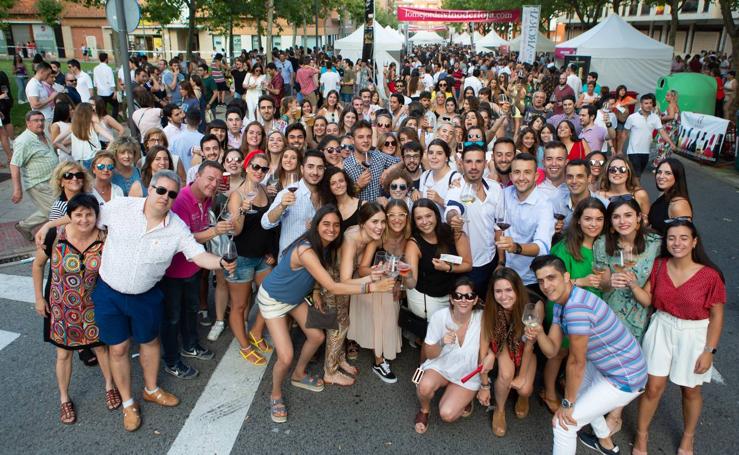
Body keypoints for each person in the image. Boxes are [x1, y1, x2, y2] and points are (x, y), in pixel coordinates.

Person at [257, 205, 394, 423]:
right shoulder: (306, 250)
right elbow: (334, 285)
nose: (331, 229)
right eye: (326, 224)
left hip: (295, 298)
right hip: (274, 300)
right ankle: (275, 394)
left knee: (317, 336)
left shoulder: (326, 245)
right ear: (316, 225)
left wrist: (370, 277)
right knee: (286, 356)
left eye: (336, 225)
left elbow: (329, 277)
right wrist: (371, 287)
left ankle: (299, 374)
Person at [528, 255, 647, 455]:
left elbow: (576, 362)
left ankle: (600, 438)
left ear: (566, 277)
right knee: (578, 395)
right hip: (607, 366)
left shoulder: (576, 308)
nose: (546, 286)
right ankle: (605, 442)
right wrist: (539, 331)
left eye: (551, 278)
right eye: (541, 281)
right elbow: (552, 351)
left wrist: (567, 404)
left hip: (626, 376)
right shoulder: (561, 302)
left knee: (564, 424)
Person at [628, 220, 725, 455]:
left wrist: (709, 351)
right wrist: (632, 284)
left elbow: (717, 316)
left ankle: (688, 437)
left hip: (694, 332)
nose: (677, 243)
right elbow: (649, 300)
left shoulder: (710, 276)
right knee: (652, 387)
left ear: (694, 242)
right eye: (671, 238)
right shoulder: (659, 266)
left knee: (690, 389)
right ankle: (641, 437)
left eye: (683, 238)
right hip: (662, 325)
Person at [31, 194, 119, 425]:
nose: (83, 219)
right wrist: (39, 298)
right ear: (69, 216)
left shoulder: (104, 238)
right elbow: (38, 265)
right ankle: (64, 399)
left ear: (96, 216)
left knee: (101, 349)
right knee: (63, 353)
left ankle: (110, 386)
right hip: (62, 307)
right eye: (78, 214)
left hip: (93, 305)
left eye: (89, 214)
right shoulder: (55, 237)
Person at [160, 161, 231, 379]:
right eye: (209, 178)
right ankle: (171, 360)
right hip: (173, 270)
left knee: (191, 310)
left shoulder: (208, 198)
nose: (213, 184)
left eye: (217, 181)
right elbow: (184, 239)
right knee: (171, 318)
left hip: (193, 267)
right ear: (197, 176)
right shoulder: (180, 199)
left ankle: (190, 345)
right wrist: (214, 232)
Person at [540, 197, 608, 413]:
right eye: (588, 218)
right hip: (564, 309)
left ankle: (566, 383)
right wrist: (582, 281)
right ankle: (548, 392)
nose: (593, 224)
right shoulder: (565, 248)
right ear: (578, 221)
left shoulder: (604, 247)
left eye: (599, 219)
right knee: (559, 352)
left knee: (576, 354)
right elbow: (552, 283)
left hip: (590, 310)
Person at [477, 268, 543, 437]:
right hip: (502, 344)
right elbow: (483, 347)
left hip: (525, 347)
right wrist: (484, 385)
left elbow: (529, 345)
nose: (503, 296)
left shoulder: (534, 305)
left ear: (517, 289)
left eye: (508, 290)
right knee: (506, 375)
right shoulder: (490, 308)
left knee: (525, 389)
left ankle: (523, 397)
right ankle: (499, 410)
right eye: (498, 291)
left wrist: (521, 377)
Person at [224, 151, 276, 363]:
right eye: (256, 167)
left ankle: (255, 332)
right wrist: (242, 212)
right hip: (242, 257)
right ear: (247, 167)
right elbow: (235, 231)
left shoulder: (264, 190)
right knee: (239, 305)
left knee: (270, 297)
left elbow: (270, 225)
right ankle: (245, 346)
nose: (259, 172)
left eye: (264, 169)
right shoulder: (237, 195)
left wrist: (271, 251)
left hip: (263, 256)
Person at [414, 277, 483, 434]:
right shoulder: (440, 317)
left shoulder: (482, 318)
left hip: (466, 373)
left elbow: (494, 343)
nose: (463, 300)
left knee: (447, 414)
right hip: (441, 366)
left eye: (469, 296)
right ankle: (425, 410)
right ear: (451, 299)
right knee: (424, 386)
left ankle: (463, 396)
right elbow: (430, 353)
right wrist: (441, 342)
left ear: (475, 299)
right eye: (458, 296)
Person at [595, 195, 661, 344]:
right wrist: (610, 281)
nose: (622, 221)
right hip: (611, 315)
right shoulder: (602, 243)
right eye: (616, 217)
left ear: (638, 217)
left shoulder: (655, 244)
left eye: (628, 215)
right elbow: (603, 286)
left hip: (641, 318)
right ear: (610, 221)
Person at [445, 144, 504, 297]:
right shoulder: (456, 189)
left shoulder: (495, 188)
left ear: (485, 163)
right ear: (461, 164)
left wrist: (501, 261)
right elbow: (452, 209)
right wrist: (454, 219)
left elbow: (499, 227)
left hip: (492, 261)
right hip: (470, 265)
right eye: (469, 162)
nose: (473, 166)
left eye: (478, 161)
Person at [404, 198, 473, 324]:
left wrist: (448, 268)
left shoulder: (452, 232)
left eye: (428, 216)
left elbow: (468, 265)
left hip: (454, 295)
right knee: (436, 336)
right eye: (419, 218)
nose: (425, 222)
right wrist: (407, 275)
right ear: (414, 221)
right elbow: (411, 283)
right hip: (429, 298)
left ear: (436, 215)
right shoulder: (414, 243)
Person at [496, 153, 555, 293]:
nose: (521, 178)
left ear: (536, 176)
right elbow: (497, 228)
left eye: (527, 173)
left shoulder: (544, 205)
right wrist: (501, 262)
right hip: (506, 274)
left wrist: (516, 247)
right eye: (517, 172)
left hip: (532, 279)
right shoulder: (504, 194)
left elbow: (542, 247)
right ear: (510, 176)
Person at [262, 150, 326, 254]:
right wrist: (282, 206)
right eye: (310, 167)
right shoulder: (288, 192)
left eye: (320, 168)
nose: (315, 172)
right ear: (302, 169)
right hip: (290, 261)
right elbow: (265, 223)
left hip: (317, 258)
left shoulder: (326, 194)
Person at [11, 111, 59, 241]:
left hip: (52, 181)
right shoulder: (23, 141)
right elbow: (14, 164)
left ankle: (24, 226)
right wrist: (17, 189)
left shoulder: (44, 134)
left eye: (42, 120)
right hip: (38, 183)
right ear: (28, 123)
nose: (40, 123)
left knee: (51, 209)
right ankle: (57, 240)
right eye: (36, 120)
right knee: (56, 211)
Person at [343, 120, 400, 201]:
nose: (366, 140)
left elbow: (402, 162)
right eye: (361, 137)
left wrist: (388, 170)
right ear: (352, 140)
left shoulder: (377, 155)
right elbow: (343, 197)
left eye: (369, 136)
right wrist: (357, 186)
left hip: (378, 211)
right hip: (360, 212)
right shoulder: (346, 166)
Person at [624, 93, 676, 178]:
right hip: (633, 151)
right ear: (641, 104)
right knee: (636, 175)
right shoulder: (632, 117)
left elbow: (662, 131)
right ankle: (636, 190)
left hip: (645, 152)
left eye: (650, 103)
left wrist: (671, 143)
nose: (648, 105)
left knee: (637, 174)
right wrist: (619, 149)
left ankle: (632, 188)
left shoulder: (655, 118)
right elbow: (624, 133)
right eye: (646, 103)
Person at [648, 158, 693, 235]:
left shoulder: (678, 205)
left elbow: (683, 238)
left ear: (677, 176)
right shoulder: (664, 194)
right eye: (659, 172)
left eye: (668, 173)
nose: (661, 176)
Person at [319, 166, 363, 231]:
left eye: (341, 181)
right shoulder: (328, 209)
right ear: (328, 188)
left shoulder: (362, 206)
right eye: (333, 183)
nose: (338, 185)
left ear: (346, 182)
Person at [654, 90, 680, 168]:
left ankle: (660, 166)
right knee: (667, 147)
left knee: (663, 146)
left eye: (668, 95)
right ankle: (664, 165)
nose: (666, 97)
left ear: (672, 97)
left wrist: (661, 118)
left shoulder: (671, 105)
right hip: (672, 128)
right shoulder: (674, 105)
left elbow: (671, 116)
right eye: (666, 95)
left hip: (669, 128)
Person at [93, 52, 119, 119]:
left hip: (100, 93)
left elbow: (95, 83)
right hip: (108, 92)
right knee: (116, 105)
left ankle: (104, 121)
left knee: (103, 109)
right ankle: (113, 120)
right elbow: (111, 81)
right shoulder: (108, 68)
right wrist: (115, 92)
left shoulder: (95, 69)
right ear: (106, 59)